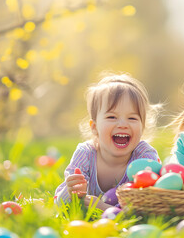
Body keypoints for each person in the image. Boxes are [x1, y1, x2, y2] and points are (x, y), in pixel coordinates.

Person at [54, 72, 161, 210]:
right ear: (94, 127)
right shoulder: (85, 154)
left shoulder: (144, 157)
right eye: (111, 117)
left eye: (132, 118)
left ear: (143, 126)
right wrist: (70, 192)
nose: (123, 124)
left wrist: (104, 208)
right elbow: (58, 204)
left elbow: (150, 204)